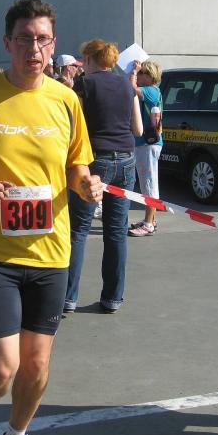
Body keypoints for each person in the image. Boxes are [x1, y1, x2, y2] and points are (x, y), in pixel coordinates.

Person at [0, 0, 103, 435]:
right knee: (1, 368)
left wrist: (86, 185)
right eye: (25, 39)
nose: (35, 49)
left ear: (54, 44)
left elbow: (77, 166)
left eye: (43, 40)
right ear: (7, 43)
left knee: (36, 364)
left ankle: (16, 433)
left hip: (51, 252)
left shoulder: (66, 100)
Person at [64, 40, 142, 315]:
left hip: (94, 159)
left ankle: (68, 297)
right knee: (116, 230)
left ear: (89, 59)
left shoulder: (85, 84)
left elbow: (73, 127)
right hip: (126, 160)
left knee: (78, 229)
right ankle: (113, 297)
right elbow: (138, 128)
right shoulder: (127, 86)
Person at [128, 59, 163, 237]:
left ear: (150, 76)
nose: (139, 76)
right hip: (146, 143)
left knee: (149, 184)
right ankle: (151, 220)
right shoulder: (152, 90)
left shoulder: (151, 90)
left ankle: (148, 223)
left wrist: (133, 72)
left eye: (142, 73)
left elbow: (131, 89)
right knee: (147, 182)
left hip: (148, 144)